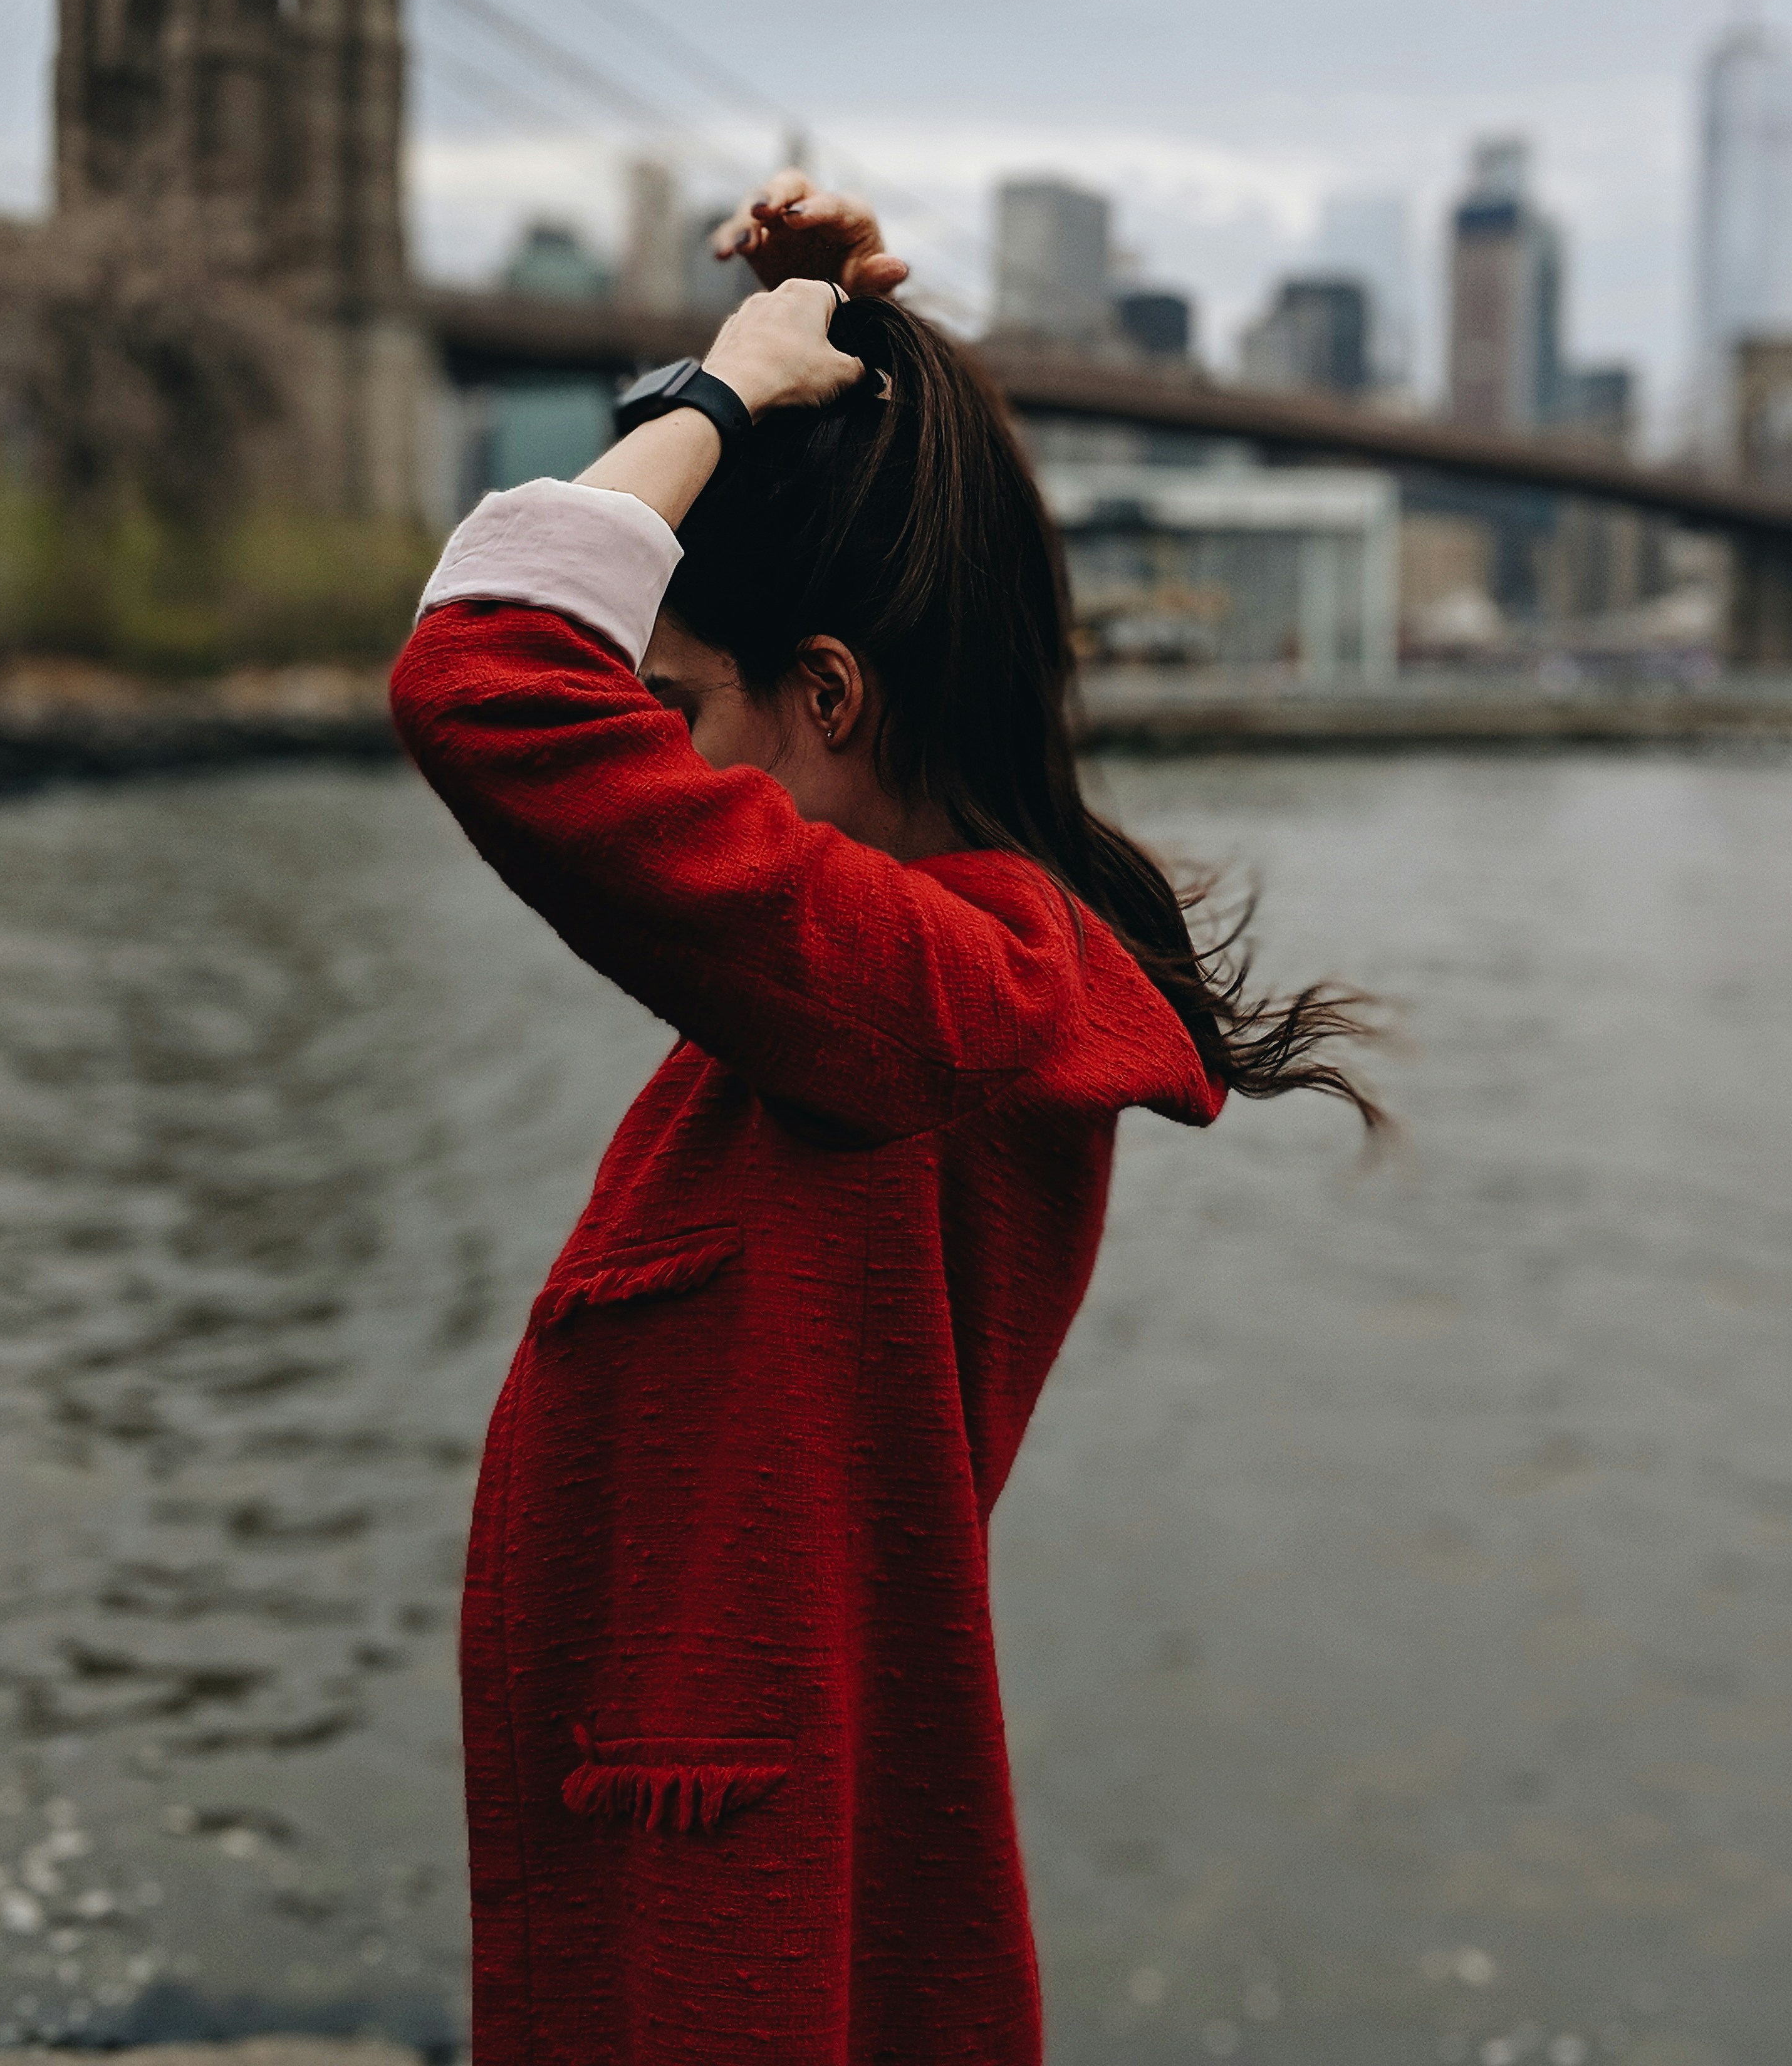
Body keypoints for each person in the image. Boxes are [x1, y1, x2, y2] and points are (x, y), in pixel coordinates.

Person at [389, 174, 1378, 2066]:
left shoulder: (942, 998)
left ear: (826, 691)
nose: (644, 743)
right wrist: (795, 363)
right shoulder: (931, 989)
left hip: (733, 1919)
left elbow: (488, 676)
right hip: (709, 1840)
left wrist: (723, 406)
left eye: (671, 705)